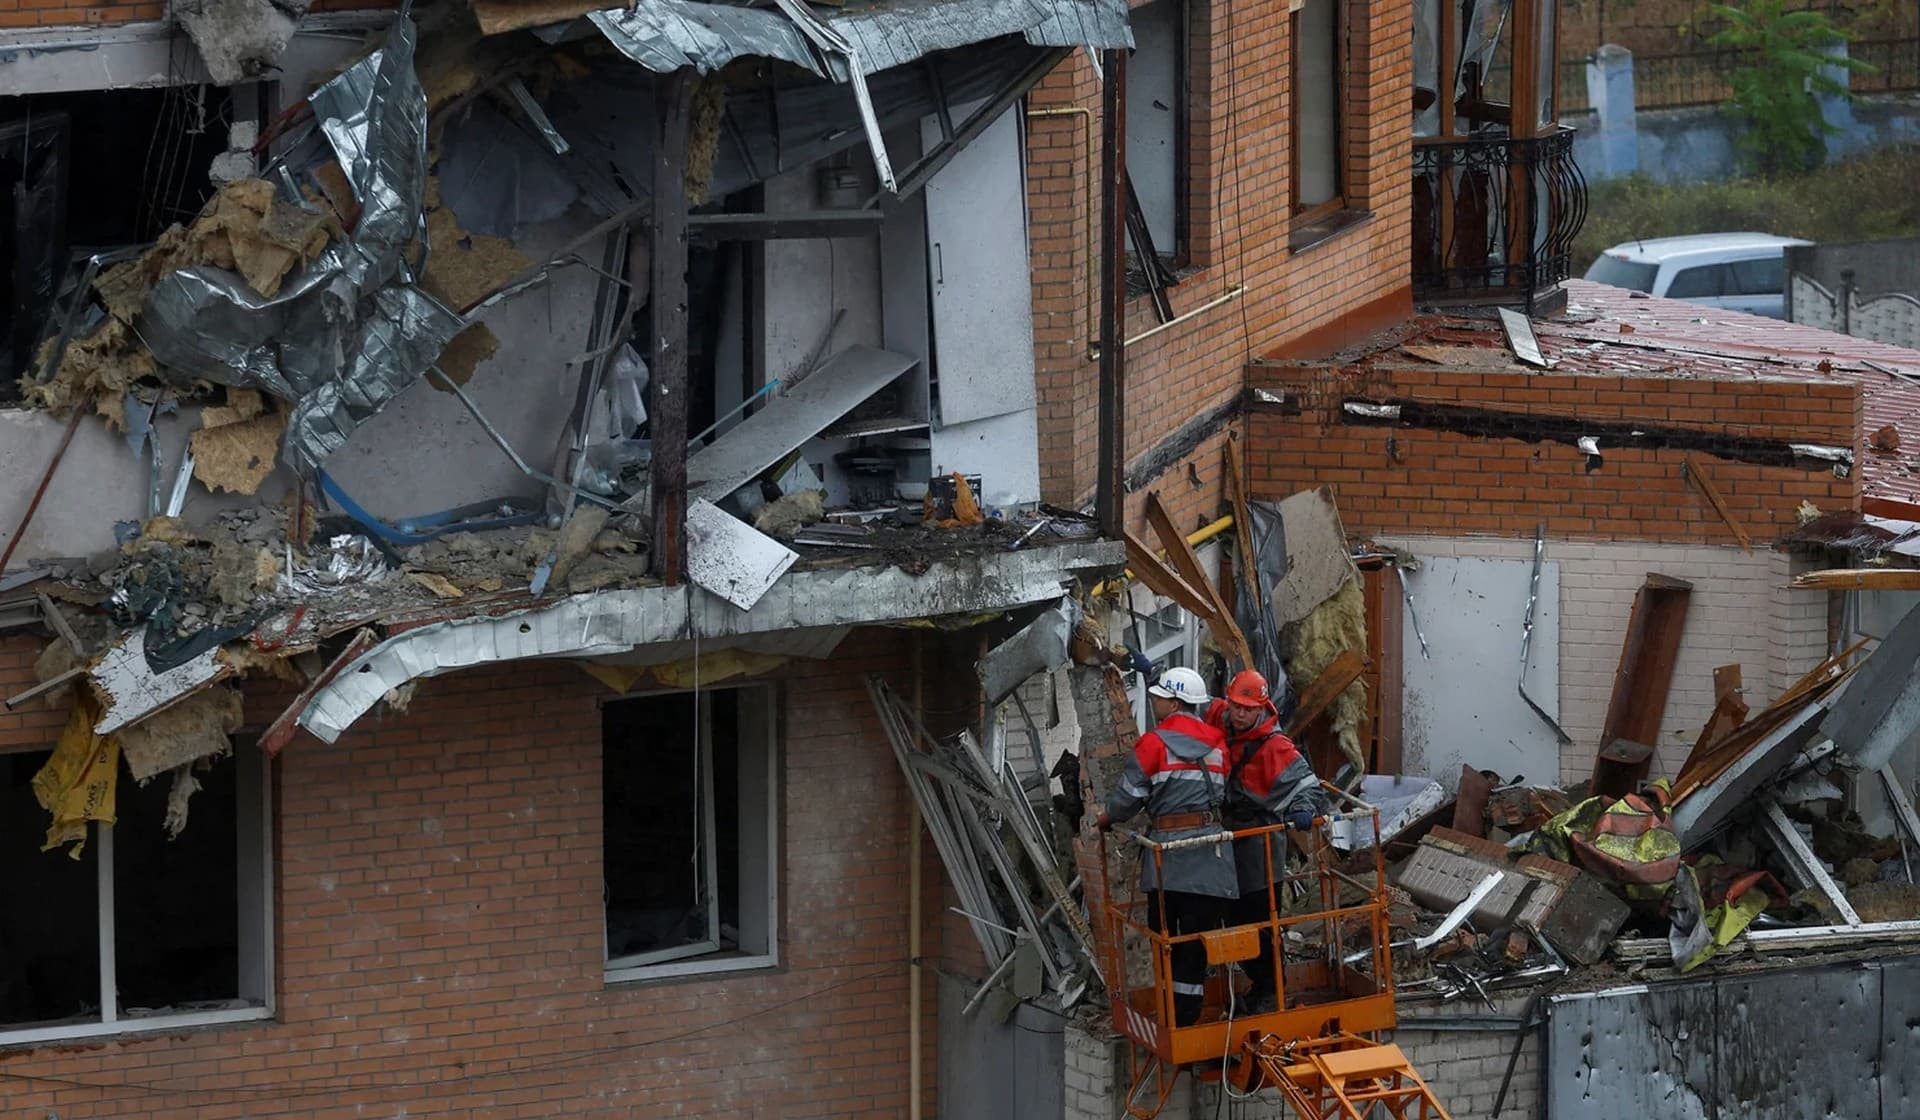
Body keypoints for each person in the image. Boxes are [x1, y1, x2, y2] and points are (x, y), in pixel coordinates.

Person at [1095, 666, 1237, 1026]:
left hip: (1168, 858)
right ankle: (1189, 1013)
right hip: (1213, 856)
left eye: (1159, 698)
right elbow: (1224, 789)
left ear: (1175, 702)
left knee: (1167, 938)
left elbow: (1129, 797)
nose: (1154, 703)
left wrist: (1106, 817)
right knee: (1195, 939)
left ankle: (1176, 1017)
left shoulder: (1154, 743)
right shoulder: (1218, 742)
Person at [1205, 669, 1331, 1014]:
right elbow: (1194, 706)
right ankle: (1241, 980)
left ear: (1263, 708)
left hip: (1257, 849)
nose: (1240, 714)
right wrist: (1153, 675)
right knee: (1225, 915)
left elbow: (1310, 790)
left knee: (1258, 923)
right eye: (1236, 706)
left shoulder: (1276, 748)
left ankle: (1269, 990)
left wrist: (1303, 809)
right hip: (1224, 842)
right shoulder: (1221, 715)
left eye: (1247, 708)